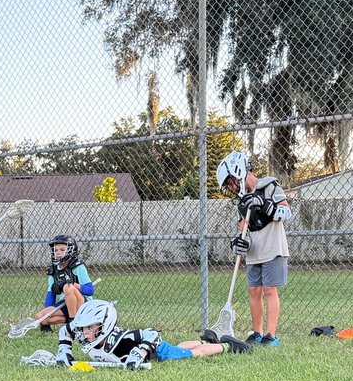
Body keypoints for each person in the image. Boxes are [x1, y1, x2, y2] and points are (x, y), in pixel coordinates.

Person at [216, 150, 291, 346]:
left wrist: (265, 205)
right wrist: (239, 241)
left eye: (231, 182)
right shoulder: (243, 199)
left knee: (269, 289)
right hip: (254, 252)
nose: (231, 188)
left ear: (238, 172)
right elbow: (244, 225)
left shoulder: (269, 186)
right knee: (253, 290)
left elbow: (286, 211)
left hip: (273, 246)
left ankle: (270, 335)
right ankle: (257, 332)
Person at [56, 299, 251, 368]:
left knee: (192, 354)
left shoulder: (123, 340)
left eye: (90, 328)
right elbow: (66, 329)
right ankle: (205, 339)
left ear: (104, 325)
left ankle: (227, 345)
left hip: (157, 352)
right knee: (177, 347)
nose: (85, 333)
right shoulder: (85, 334)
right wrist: (64, 351)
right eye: (84, 328)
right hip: (153, 351)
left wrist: (139, 353)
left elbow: (152, 335)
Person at [35, 235, 95, 335]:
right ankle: (76, 321)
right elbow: (51, 294)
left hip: (82, 303)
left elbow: (90, 290)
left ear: (71, 251)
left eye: (62, 250)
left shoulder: (78, 267)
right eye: (56, 250)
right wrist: (46, 314)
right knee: (40, 317)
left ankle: (72, 324)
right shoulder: (53, 271)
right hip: (66, 303)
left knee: (68, 287)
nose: (58, 252)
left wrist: (73, 285)